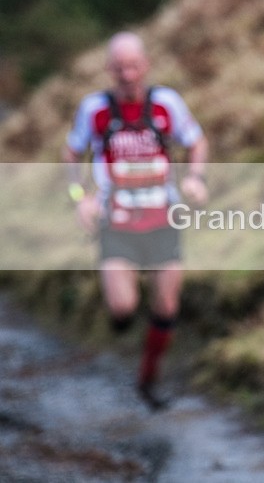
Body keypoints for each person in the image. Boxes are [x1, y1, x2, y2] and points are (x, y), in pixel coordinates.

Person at [63, 31, 208, 410]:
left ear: (144, 65)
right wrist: (80, 198)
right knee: (123, 308)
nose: (127, 74)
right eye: (119, 68)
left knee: (166, 307)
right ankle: (121, 317)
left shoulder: (166, 103)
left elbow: (196, 141)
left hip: (163, 219)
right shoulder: (94, 109)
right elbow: (71, 152)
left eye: (133, 66)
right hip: (116, 223)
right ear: (109, 70)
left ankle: (147, 379)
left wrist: (195, 177)